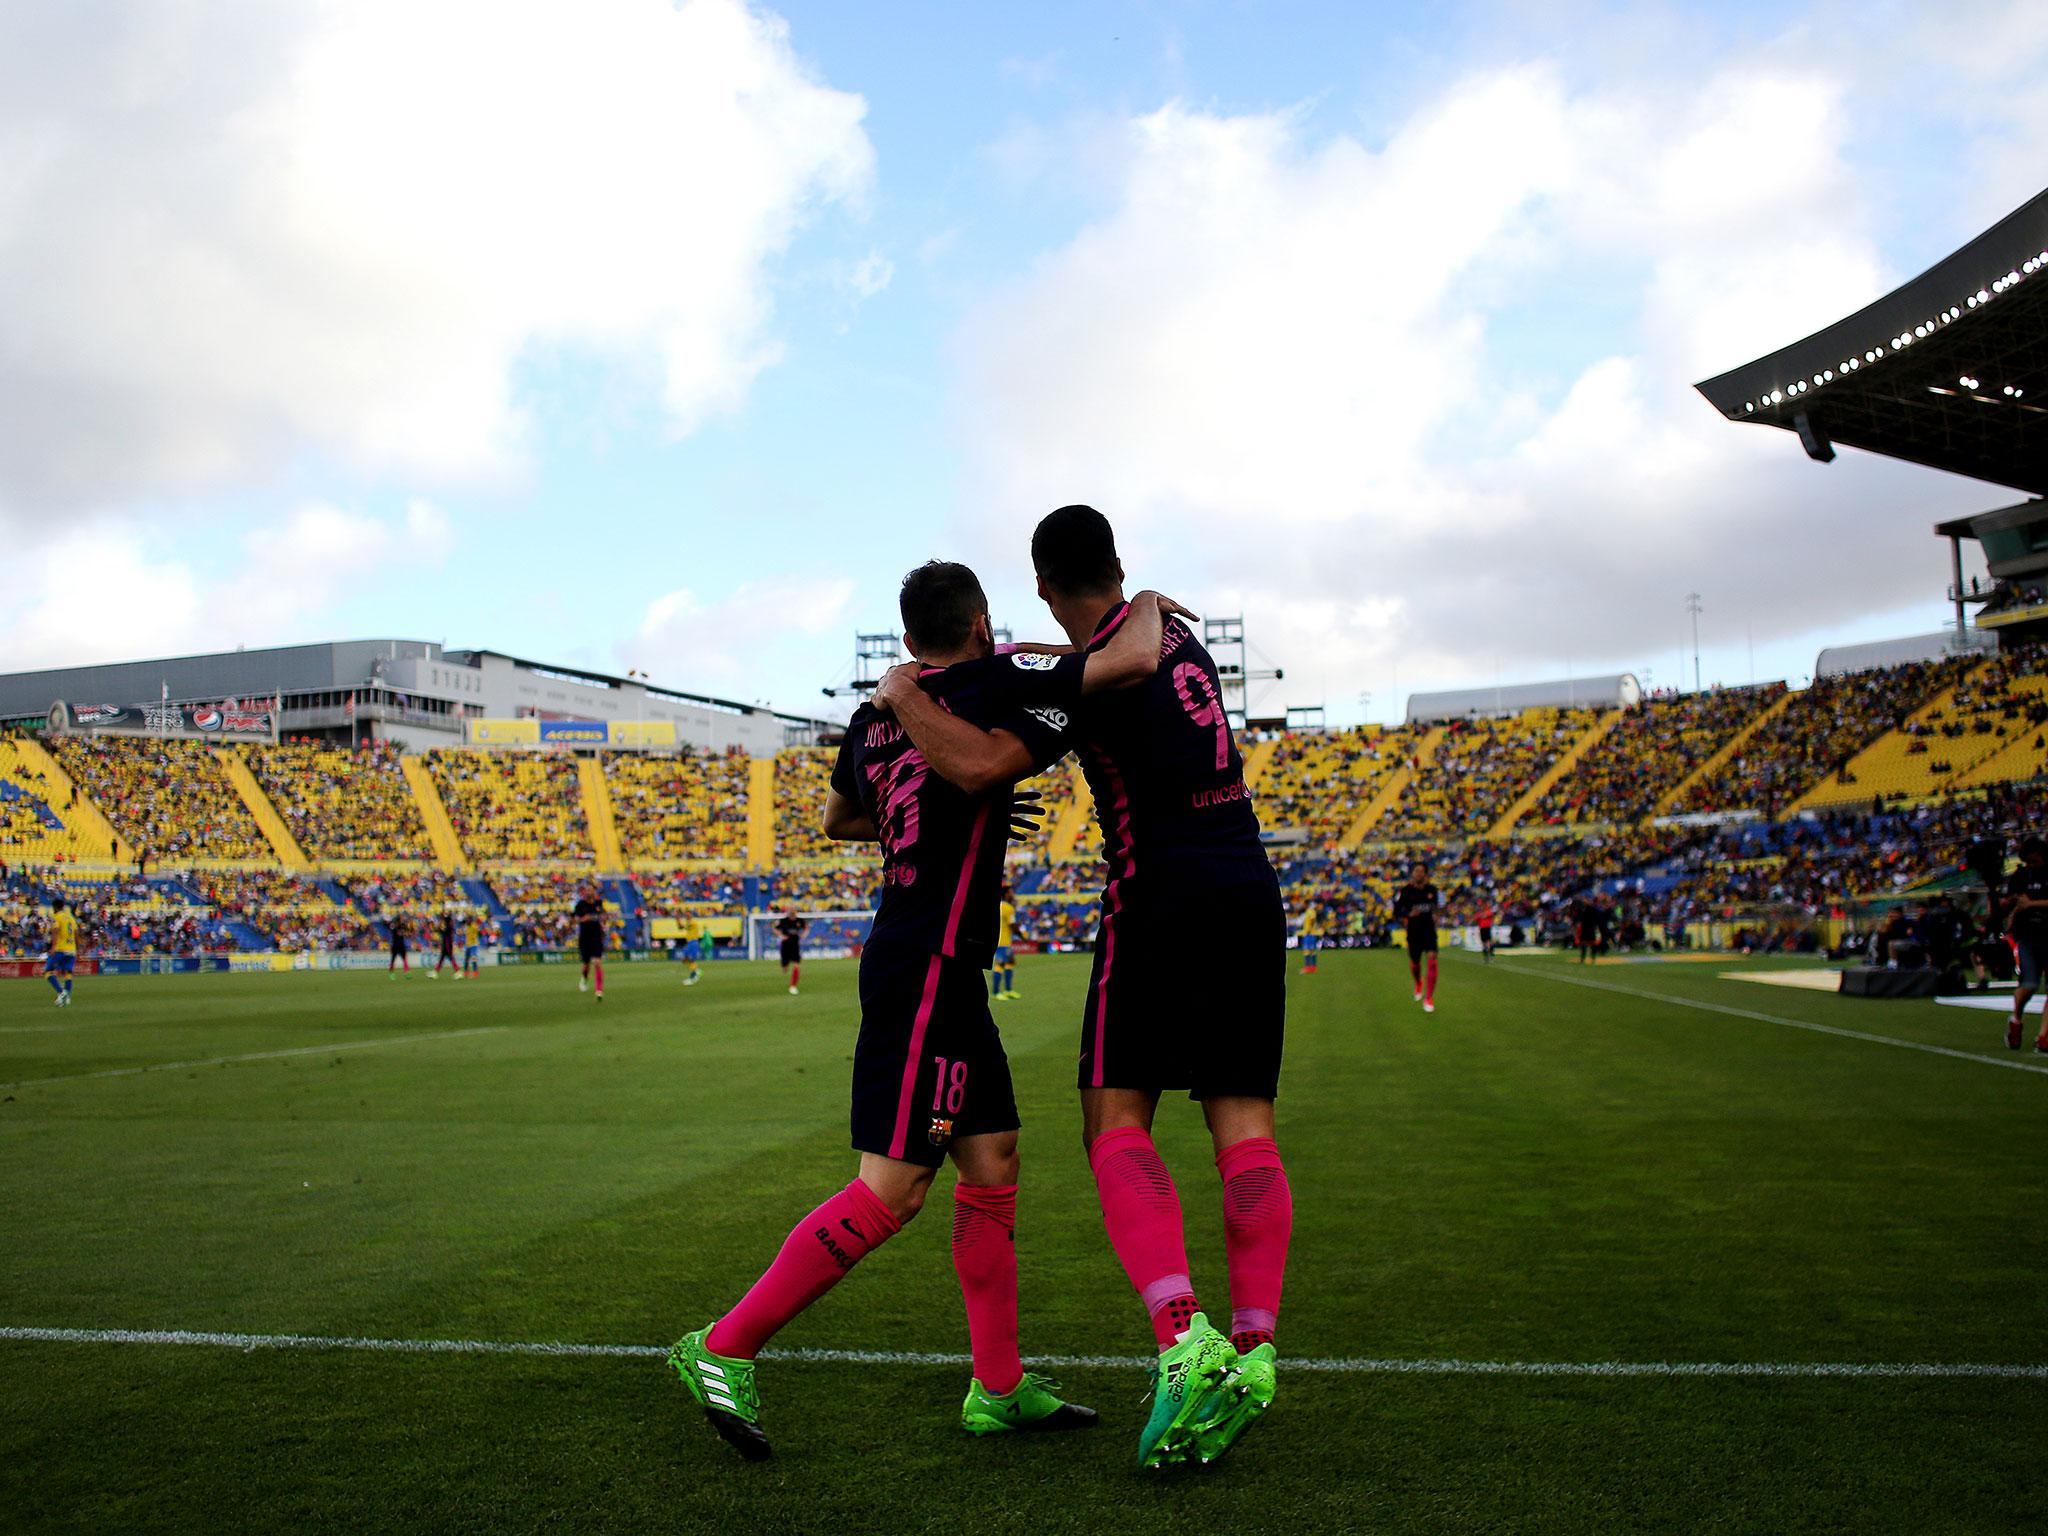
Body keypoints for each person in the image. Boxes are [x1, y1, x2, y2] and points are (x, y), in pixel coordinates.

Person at [667, 560, 1167, 1460]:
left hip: (937, 963)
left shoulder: (872, 717)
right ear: (981, 623)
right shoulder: (995, 675)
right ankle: (722, 1345)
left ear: (907, 642)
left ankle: (1000, 1387)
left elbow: (837, 819)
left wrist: (931, 804)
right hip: (926, 965)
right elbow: (1129, 660)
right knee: (892, 1188)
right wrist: (1151, 603)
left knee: (994, 1161)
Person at [872, 507, 1289, 1471]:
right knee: (1246, 1125)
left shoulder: (1088, 668)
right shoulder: (1176, 634)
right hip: (1247, 887)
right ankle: (1256, 1355)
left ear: (1044, 587)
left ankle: (1185, 1345)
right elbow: (1138, 649)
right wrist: (1141, 598)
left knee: (1115, 1122)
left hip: (1158, 896)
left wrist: (902, 688)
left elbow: (981, 758)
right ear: (1120, 566)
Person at [2003, 837, 2048, 1053]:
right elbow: (2011, 899)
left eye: (2035, 861)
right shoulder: (2020, 876)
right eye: (2029, 862)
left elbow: (2029, 902)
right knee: (2029, 985)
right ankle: (2016, 1019)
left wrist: (2032, 903)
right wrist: (2010, 905)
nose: (2032, 865)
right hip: (2028, 937)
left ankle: (2043, 1037)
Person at [1392, 862, 1440, 1012]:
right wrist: (1408, 915)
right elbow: (1396, 912)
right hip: (1413, 931)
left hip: (1429, 931)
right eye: (1415, 871)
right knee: (1415, 962)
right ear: (1412, 873)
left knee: (1432, 959)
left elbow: (1435, 907)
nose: (1418, 873)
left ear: (1425, 874)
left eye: (1421, 871)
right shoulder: (1406, 891)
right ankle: (1418, 981)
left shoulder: (1432, 890)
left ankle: (1429, 998)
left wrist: (1436, 916)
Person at [573, 885, 606, 1000]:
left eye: (591, 890)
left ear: (594, 892)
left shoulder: (598, 903)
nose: (589, 892)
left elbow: (603, 915)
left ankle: (599, 990)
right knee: (586, 965)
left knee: (597, 963)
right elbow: (575, 919)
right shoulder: (580, 905)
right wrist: (583, 919)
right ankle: (584, 978)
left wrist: (603, 918)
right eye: (587, 890)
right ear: (584, 892)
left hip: (596, 937)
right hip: (585, 937)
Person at [45, 896, 78, 1008]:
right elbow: (76, 933)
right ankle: (66, 995)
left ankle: (61, 992)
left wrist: (53, 947)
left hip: (60, 949)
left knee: (48, 972)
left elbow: (55, 930)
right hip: (72, 950)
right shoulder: (71, 918)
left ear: (55, 907)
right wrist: (78, 948)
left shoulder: (57, 917)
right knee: (68, 973)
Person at [991, 885, 1018, 1001]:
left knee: (1010, 962)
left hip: (1001, 941)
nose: (1012, 894)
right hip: (1002, 942)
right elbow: (1012, 925)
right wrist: (1022, 936)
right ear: (1006, 894)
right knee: (1000, 965)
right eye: (1011, 892)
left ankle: (1008, 990)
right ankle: (996, 992)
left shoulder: (997, 906)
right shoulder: (1008, 908)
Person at [774, 908, 804, 995]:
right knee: (785, 968)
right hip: (785, 945)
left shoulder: (800, 921)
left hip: (795, 945)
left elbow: (806, 928)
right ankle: (785, 965)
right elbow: (775, 928)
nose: (793, 914)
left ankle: (793, 986)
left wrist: (803, 934)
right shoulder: (783, 921)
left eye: (794, 913)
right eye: (791, 913)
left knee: (796, 965)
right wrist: (781, 935)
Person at [432, 910, 457, 978]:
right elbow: (442, 931)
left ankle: (458, 971)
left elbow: (442, 932)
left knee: (449, 957)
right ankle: (436, 972)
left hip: (447, 944)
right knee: (442, 958)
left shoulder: (448, 927)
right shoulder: (449, 926)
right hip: (446, 944)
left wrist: (438, 928)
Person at [682, 919, 706, 987]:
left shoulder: (693, 923)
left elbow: (682, 927)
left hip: (693, 943)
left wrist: (678, 920)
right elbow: (682, 927)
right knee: (685, 960)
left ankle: (692, 978)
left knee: (690, 960)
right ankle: (698, 971)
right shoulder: (688, 923)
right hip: (689, 943)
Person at [387, 912, 410, 978]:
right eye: (401, 918)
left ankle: (407, 972)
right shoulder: (394, 926)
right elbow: (396, 932)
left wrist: (407, 934)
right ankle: (391, 973)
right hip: (395, 945)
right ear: (398, 919)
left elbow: (407, 932)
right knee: (393, 959)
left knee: (404, 959)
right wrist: (403, 933)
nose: (403, 919)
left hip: (401, 944)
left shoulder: (403, 925)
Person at [461, 912, 484, 979]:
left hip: (474, 945)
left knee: (473, 958)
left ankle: (475, 972)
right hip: (467, 945)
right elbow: (464, 933)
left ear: (471, 920)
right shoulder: (466, 926)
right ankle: (466, 972)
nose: (467, 921)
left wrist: (478, 932)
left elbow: (480, 933)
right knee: (466, 959)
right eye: (466, 920)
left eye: (468, 920)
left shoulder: (474, 926)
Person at [1298, 906, 1320, 975]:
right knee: (1312, 951)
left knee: (1307, 950)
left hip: (1309, 934)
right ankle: (1313, 968)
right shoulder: (1310, 911)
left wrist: (1309, 929)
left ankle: (1307, 968)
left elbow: (1312, 919)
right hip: (1311, 933)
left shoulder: (1310, 911)